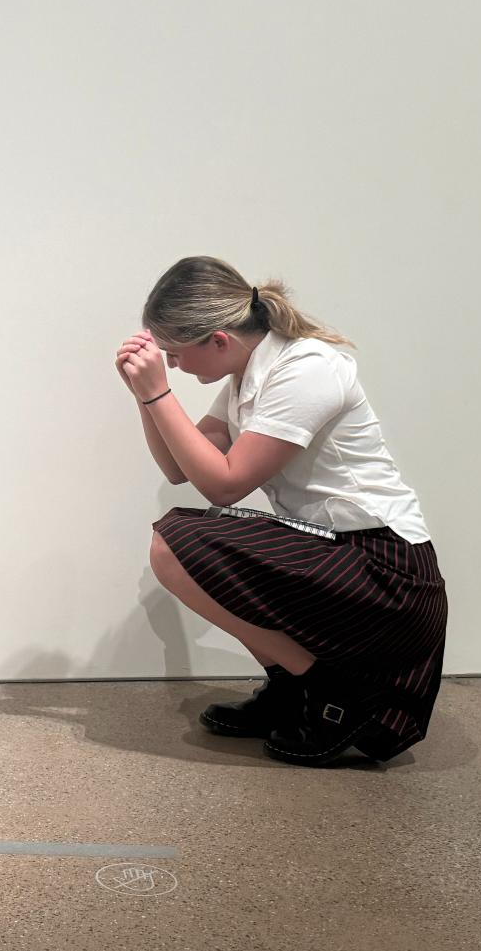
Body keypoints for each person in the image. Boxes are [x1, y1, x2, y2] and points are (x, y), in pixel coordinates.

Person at [116, 256, 447, 766]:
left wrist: (158, 392)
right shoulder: (246, 376)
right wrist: (145, 399)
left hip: (387, 568)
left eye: (176, 355)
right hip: (335, 550)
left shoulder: (308, 369)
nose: (174, 366)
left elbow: (224, 486)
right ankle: (292, 687)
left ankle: (334, 691)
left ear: (219, 341)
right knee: (181, 540)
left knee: (175, 544)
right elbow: (181, 469)